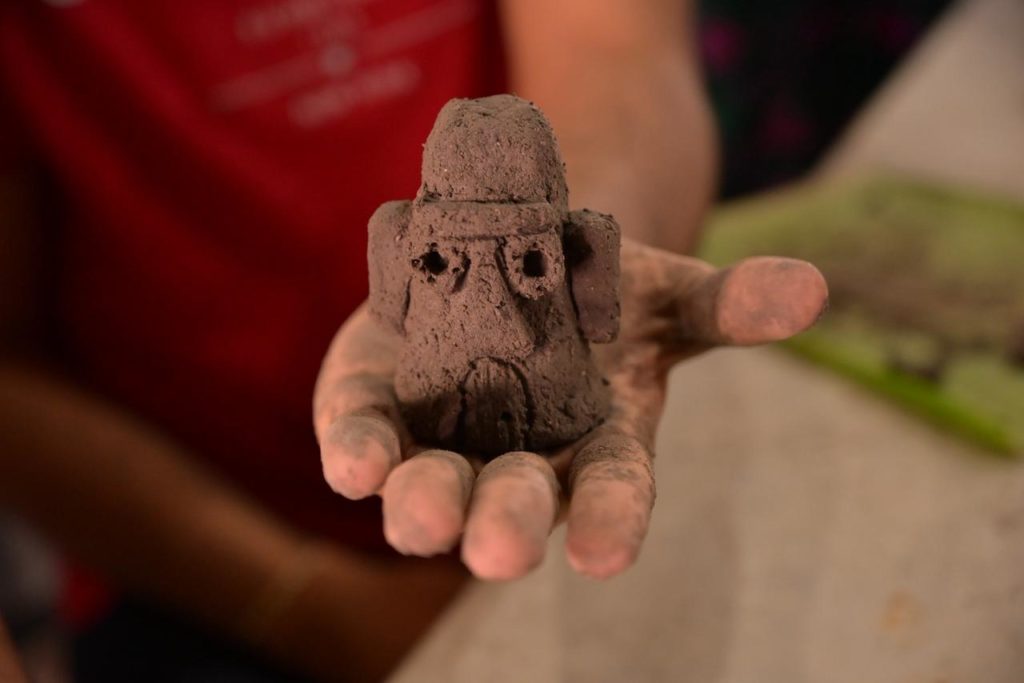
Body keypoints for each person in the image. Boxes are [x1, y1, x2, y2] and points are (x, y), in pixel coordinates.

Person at [0, 1, 825, 681]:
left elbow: (620, 56)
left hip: (558, 485)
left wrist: (593, 243)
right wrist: (305, 602)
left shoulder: (557, 240)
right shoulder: (402, 234)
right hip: (187, 541)